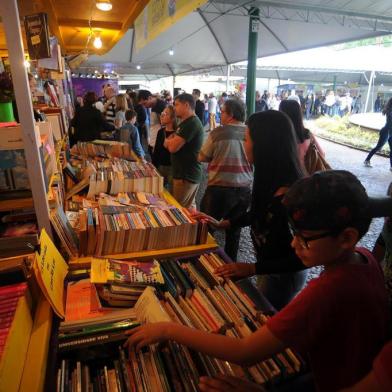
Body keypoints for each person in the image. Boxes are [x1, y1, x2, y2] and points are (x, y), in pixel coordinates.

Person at [125, 170, 390, 392]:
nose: (293, 243)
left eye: (305, 239)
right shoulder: (365, 258)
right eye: (293, 233)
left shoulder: (328, 290)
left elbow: (245, 351)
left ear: (346, 238)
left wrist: (168, 329)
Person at [198, 110, 307, 310]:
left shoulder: (292, 196)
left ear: (265, 145)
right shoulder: (269, 178)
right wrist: (227, 223)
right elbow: (259, 212)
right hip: (267, 268)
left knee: (265, 316)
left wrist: (252, 268)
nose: (244, 144)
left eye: (247, 139)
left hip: (282, 275)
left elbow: (301, 259)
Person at [198, 99, 252, 261]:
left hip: (218, 189)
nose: (220, 114)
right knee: (234, 231)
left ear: (231, 115)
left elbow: (203, 156)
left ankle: (203, 262)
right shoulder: (251, 133)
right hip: (243, 189)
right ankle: (230, 265)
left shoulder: (218, 133)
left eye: (223, 112)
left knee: (206, 228)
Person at [164, 93, 204, 210]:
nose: (174, 108)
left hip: (186, 175)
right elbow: (170, 140)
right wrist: (170, 141)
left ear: (186, 105)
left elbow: (172, 146)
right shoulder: (186, 123)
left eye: (176, 105)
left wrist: (169, 142)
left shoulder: (191, 123)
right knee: (188, 208)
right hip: (184, 174)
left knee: (181, 211)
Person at [279, 100, 325, 174]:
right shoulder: (308, 134)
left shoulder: (278, 136)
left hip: (284, 178)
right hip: (304, 177)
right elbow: (322, 153)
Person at [152, 105, 177, 191]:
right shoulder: (160, 132)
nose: (162, 115)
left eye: (165, 113)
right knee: (159, 190)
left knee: (172, 193)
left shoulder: (178, 134)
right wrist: (153, 166)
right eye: (162, 113)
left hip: (172, 168)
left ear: (173, 118)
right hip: (160, 166)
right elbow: (156, 151)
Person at [364, 97, 392, 170]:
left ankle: (391, 166)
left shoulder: (389, 110)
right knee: (378, 147)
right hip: (387, 131)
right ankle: (367, 160)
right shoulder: (390, 111)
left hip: (388, 131)